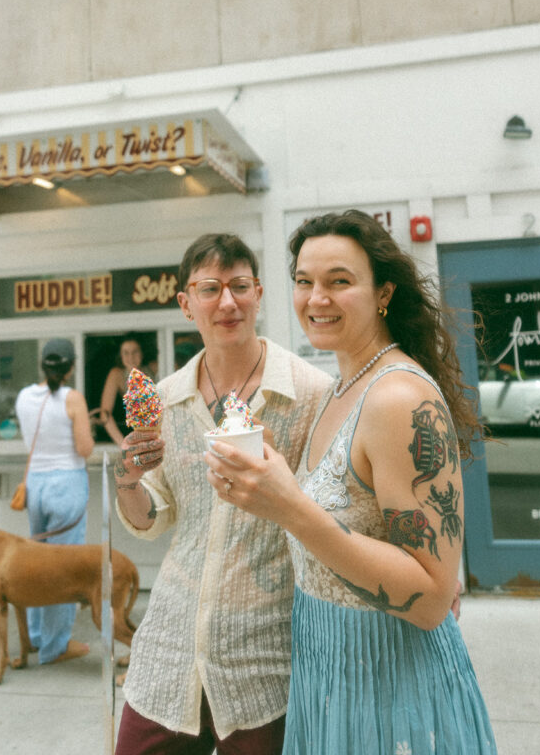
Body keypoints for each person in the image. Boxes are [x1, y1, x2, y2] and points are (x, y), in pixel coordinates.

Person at [205, 210, 498, 755]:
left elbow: (433, 597)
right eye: (304, 282)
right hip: (327, 670)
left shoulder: (397, 398)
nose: (317, 298)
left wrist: (290, 506)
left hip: (390, 686)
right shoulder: (342, 387)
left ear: (383, 292)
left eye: (340, 281)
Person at [113, 233, 331, 755]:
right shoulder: (164, 399)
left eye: (238, 286)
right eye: (210, 289)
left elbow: (329, 518)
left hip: (265, 659)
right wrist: (127, 479)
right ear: (187, 304)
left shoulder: (311, 394)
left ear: (258, 292)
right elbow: (152, 517)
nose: (227, 302)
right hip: (169, 651)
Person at [15, 337, 94, 664]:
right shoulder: (73, 399)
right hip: (66, 485)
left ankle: (35, 638)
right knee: (64, 571)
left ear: (42, 364)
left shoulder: (23, 397)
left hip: (36, 486)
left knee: (37, 564)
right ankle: (55, 646)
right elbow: (85, 449)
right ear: (72, 367)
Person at [97, 334, 147, 445]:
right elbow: (105, 414)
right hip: (127, 434)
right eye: (126, 353)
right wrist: (123, 444)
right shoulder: (116, 374)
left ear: (142, 353)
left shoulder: (154, 369)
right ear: (120, 356)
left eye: (135, 352)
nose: (131, 357)